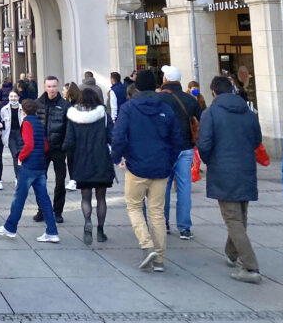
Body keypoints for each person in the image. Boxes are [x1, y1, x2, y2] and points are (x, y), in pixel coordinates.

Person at [110, 69, 181, 272]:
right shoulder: (166, 108)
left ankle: (146, 245)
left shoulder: (129, 108)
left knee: (134, 207)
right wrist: (169, 161)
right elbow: (177, 139)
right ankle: (160, 259)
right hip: (160, 167)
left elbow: (119, 136)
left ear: (137, 86)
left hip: (137, 166)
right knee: (157, 212)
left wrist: (117, 158)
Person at [196, 75, 263, 283]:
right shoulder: (248, 112)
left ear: (214, 92)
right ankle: (231, 253)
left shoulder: (211, 113)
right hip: (245, 167)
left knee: (233, 218)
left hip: (223, 169)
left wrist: (209, 160)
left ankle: (251, 267)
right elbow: (256, 139)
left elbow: (204, 143)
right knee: (241, 214)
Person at [0, 97, 58, 242]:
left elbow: (28, 144)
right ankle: (52, 231)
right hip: (40, 165)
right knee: (44, 199)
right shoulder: (39, 124)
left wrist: (21, 158)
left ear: (23, 111)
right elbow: (45, 146)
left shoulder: (27, 123)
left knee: (19, 198)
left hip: (29, 166)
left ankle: (10, 227)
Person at [63, 85, 115, 245]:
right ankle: (100, 230)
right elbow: (111, 137)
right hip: (101, 160)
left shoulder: (73, 116)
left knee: (86, 197)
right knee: (101, 198)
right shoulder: (103, 116)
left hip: (82, 160)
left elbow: (69, 141)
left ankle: (87, 221)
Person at [157, 65, 202, 241]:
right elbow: (201, 118)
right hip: (185, 148)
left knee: (164, 187)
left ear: (166, 79)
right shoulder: (190, 100)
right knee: (184, 188)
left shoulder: (159, 99)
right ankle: (184, 227)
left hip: (166, 149)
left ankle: (164, 222)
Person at [34, 76, 69, 223]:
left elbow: (69, 128)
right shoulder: (38, 104)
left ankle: (58, 211)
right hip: (42, 149)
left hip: (59, 149)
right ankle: (42, 210)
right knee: (40, 180)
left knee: (60, 181)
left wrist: (65, 146)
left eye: (54, 86)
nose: (52, 89)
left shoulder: (65, 105)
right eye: (49, 86)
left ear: (58, 86)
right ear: (44, 87)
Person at [0, 90, 25, 181]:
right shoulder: (4, 110)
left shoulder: (23, 109)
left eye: (15, 96)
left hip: (21, 134)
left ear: (18, 97)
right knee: (15, 155)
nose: (13, 98)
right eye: (11, 96)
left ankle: (22, 175)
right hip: (10, 135)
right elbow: (1, 122)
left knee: (22, 155)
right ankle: (17, 177)